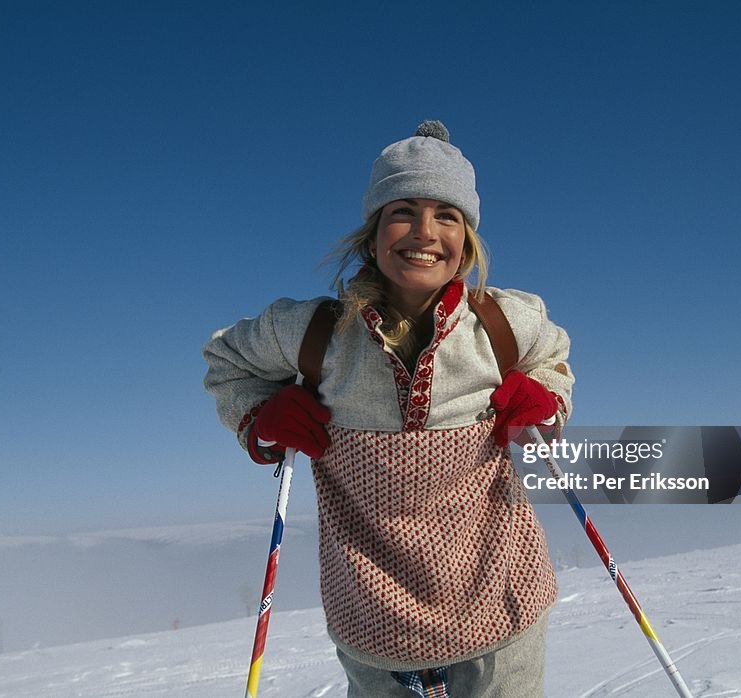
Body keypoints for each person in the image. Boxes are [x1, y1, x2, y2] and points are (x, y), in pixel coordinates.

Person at [203, 120, 573, 697]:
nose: (425, 232)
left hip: (502, 608)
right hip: (372, 622)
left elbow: (552, 358)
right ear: (372, 234)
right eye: (403, 211)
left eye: (447, 216)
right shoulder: (312, 333)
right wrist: (262, 418)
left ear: (467, 241)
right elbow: (227, 361)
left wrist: (544, 401)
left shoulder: (502, 325)